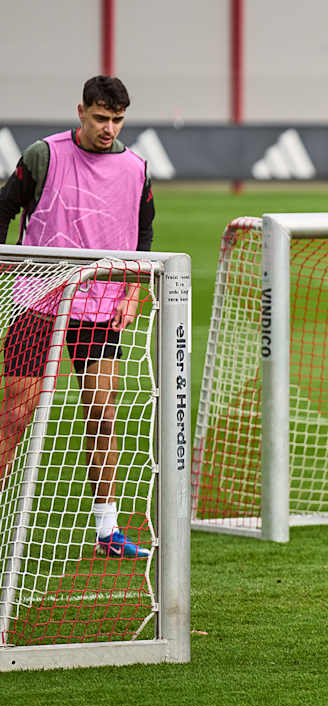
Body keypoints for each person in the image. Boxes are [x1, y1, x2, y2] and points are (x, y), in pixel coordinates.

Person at [0, 75, 156, 559]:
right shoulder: (42, 156)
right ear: (81, 112)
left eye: (118, 120)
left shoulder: (136, 169)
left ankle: (107, 530)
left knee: (102, 414)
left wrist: (133, 292)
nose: (109, 129)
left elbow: (144, 235)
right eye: (101, 118)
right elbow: (4, 209)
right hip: (39, 299)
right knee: (14, 417)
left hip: (100, 306)